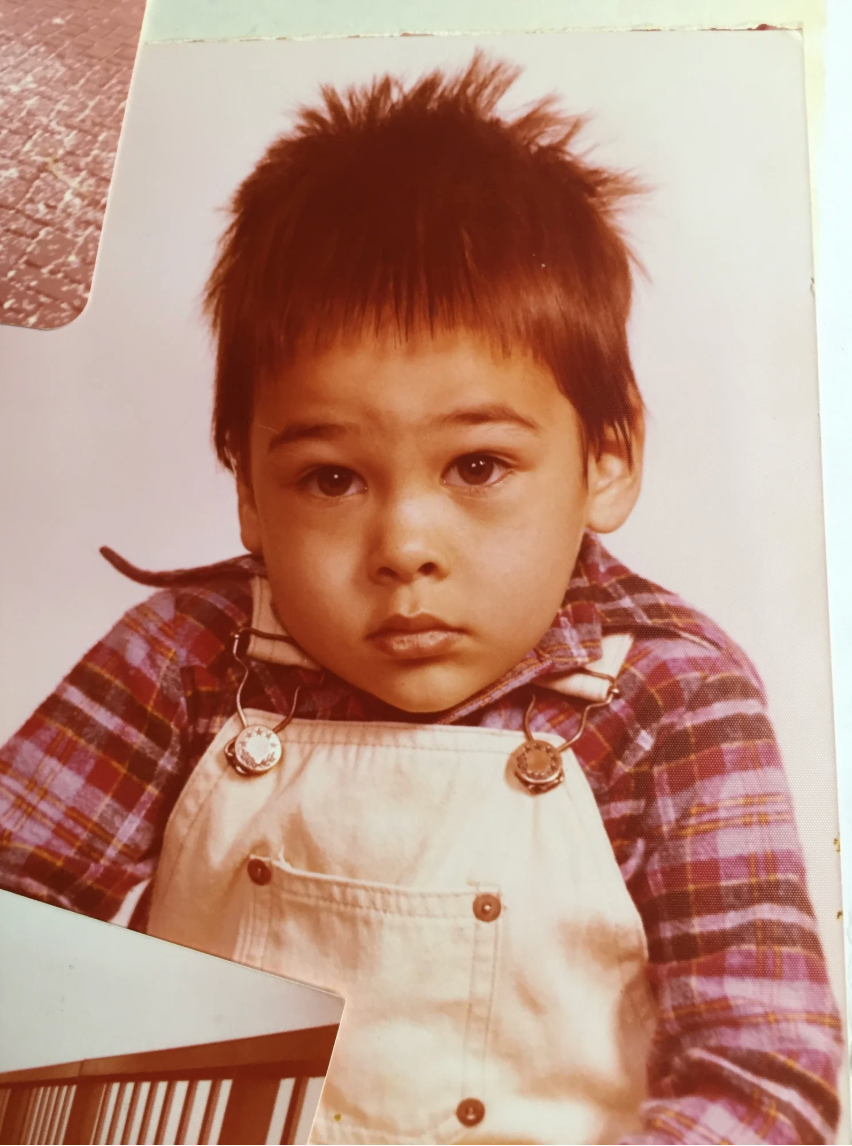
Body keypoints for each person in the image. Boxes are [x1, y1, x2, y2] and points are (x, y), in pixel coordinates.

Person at [0, 52, 843, 1145]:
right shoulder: (183, 659)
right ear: (247, 488)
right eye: (331, 479)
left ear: (609, 456)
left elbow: (766, 1076)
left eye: (477, 467)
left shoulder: (672, 700)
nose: (403, 548)